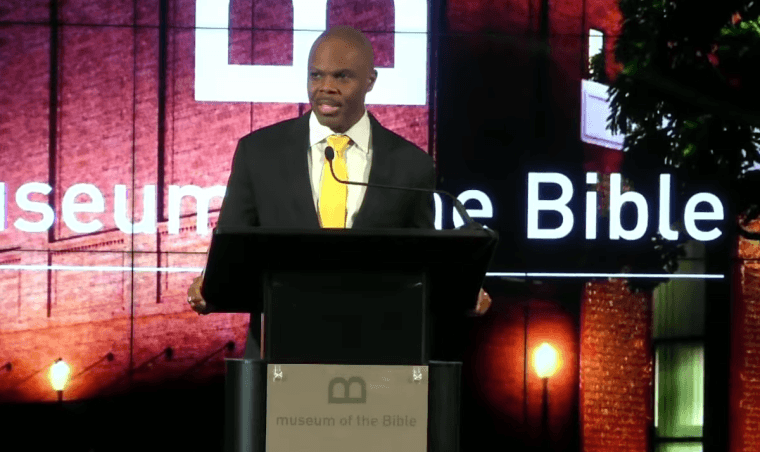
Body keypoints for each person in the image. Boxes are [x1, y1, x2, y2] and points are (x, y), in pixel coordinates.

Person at [186, 26, 491, 358]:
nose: (325, 87)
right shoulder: (258, 153)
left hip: (376, 359)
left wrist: (460, 293)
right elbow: (232, 248)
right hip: (280, 353)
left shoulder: (411, 165)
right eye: (316, 75)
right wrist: (209, 288)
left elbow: (419, 269)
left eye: (342, 76)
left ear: (370, 81)